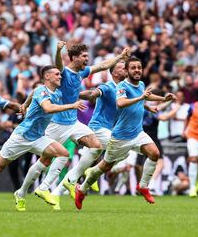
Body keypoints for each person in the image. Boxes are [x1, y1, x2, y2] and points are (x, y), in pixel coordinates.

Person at [0, 65, 86, 211]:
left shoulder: (56, 93)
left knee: (63, 154)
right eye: (56, 74)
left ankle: (36, 190)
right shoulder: (42, 90)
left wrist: (25, 105)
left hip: (38, 137)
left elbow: (32, 92)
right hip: (21, 136)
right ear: (47, 77)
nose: (60, 76)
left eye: (60, 75)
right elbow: (47, 108)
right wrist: (72, 105)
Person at [19, 41, 131, 208]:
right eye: (84, 56)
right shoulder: (62, 72)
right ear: (74, 58)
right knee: (45, 161)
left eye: (87, 55)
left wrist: (120, 57)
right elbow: (58, 64)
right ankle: (21, 192)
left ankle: (56, 185)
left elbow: (102, 65)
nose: (88, 58)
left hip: (73, 122)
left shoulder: (82, 72)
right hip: (56, 124)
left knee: (96, 145)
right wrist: (58, 50)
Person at [74, 57, 176, 209]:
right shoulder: (121, 86)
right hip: (121, 136)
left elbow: (144, 97)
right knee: (105, 167)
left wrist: (163, 98)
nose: (137, 70)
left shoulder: (141, 84)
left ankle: (143, 186)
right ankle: (82, 189)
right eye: (133, 68)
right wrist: (142, 97)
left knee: (154, 153)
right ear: (127, 71)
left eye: (139, 67)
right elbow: (121, 103)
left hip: (138, 132)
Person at [48, 60, 127, 210]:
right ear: (115, 73)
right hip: (97, 129)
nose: (126, 70)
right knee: (124, 147)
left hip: (105, 131)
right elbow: (92, 93)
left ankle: (58, 192)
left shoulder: (125, 89)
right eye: (123, 68)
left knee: (78, 168)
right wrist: (74, 95)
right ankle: (93, 170)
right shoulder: (108, 86)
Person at [184, 87, 198, 197]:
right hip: (193, 135)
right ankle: (192, 187)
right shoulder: (192, 106)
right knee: (193, 158)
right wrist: (184, 130)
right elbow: (187, 118)